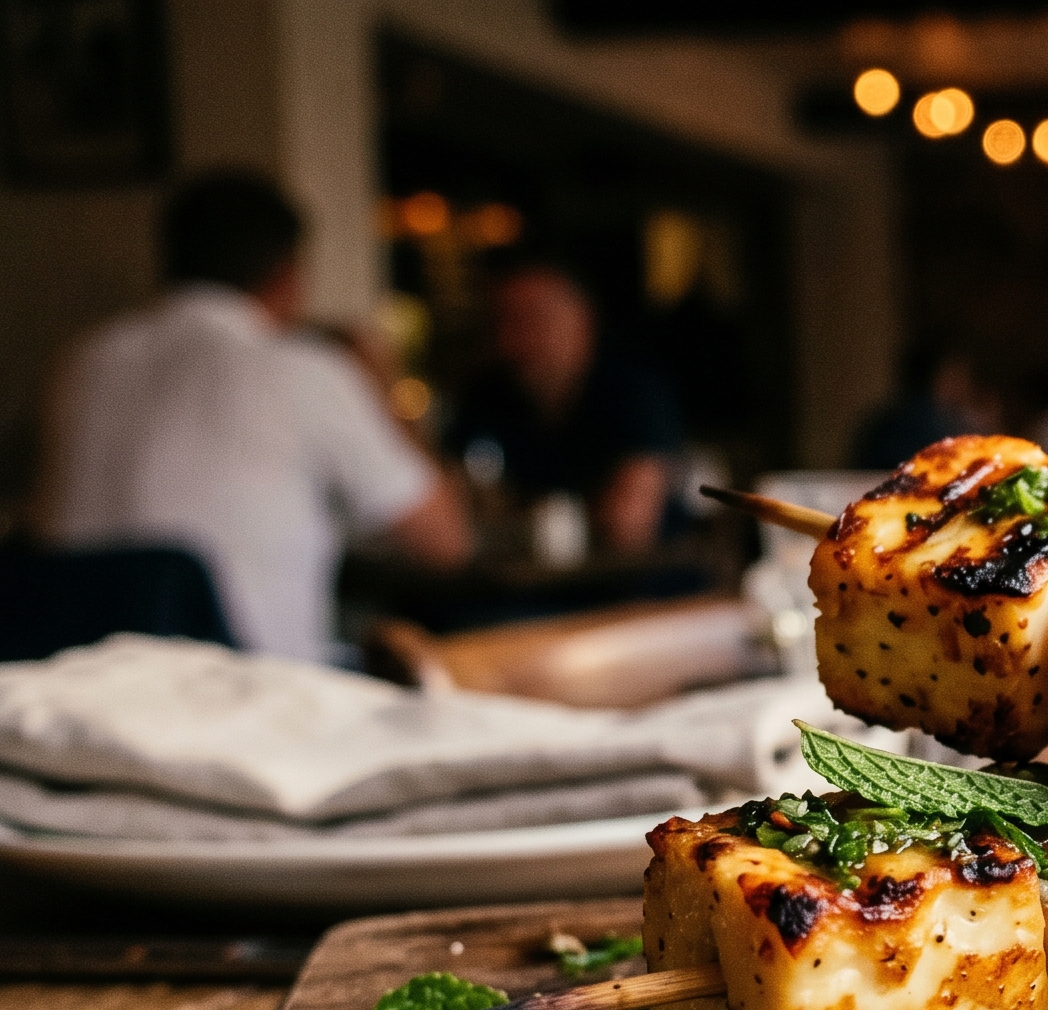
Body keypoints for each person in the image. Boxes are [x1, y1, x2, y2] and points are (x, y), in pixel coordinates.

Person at [40, 170, 471, 663]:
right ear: (288, 275)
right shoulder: (306, 369)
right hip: (249, 690)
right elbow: (446, 543)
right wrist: (381, 387)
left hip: (79, 687)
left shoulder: (88, 361)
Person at [447, 258, 683, 556]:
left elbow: (627, 526)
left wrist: (513, 511)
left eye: (533, 319)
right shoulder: (488, 395)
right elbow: (448, 508)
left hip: (639, 580)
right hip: (518, 579)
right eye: (502, 321)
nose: (510, 340)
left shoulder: (634, 390)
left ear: (583, 323)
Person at [851, 339, 997, 470]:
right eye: (958, 375)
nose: (965, 384)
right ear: (940, 376)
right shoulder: (923, 421)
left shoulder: (889, 416)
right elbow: (959, 464)